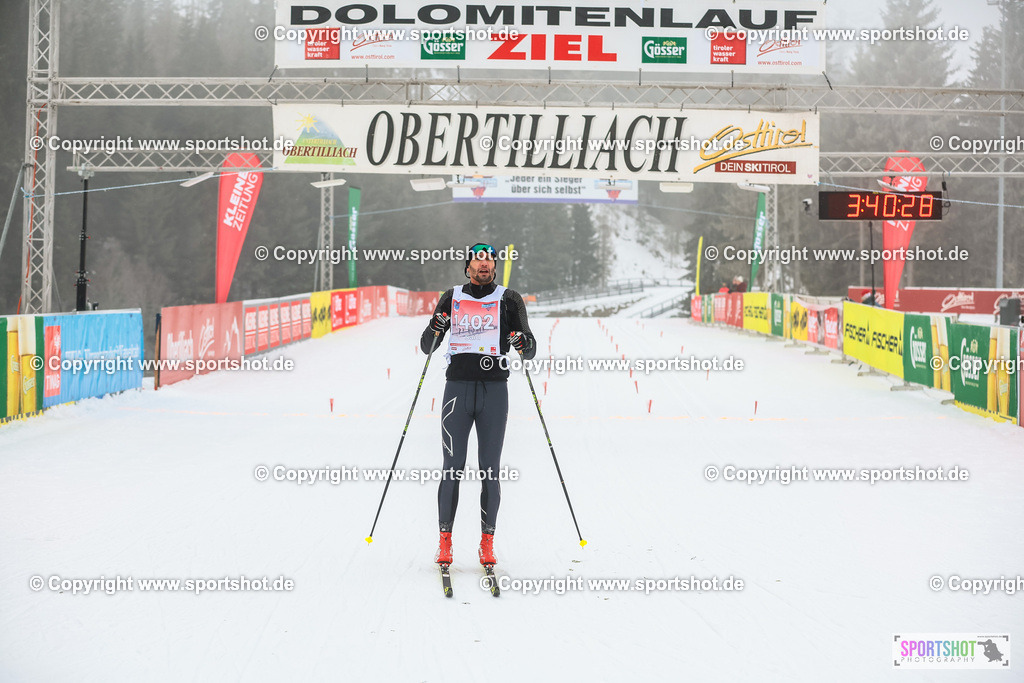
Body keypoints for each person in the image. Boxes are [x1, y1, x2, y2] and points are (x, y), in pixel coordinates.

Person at [420, 243, 537, 568]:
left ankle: (487, 543)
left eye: (489, 260)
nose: (484, 265)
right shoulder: (452, 296)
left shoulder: (509, 299)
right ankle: (445, 542)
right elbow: (426, 347)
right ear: (467, 266)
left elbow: (530, 349)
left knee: (490, 469)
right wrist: (436, 326)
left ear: (495, 267)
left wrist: (521, 342)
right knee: (452, 467)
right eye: (477, 260)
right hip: (457, 389)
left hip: (494, 392)